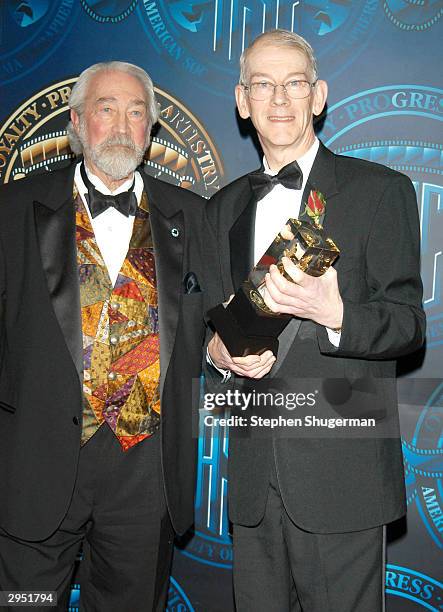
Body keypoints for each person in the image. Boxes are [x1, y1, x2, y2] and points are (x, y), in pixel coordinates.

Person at [206, 30, 425, 611]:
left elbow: (408, 324)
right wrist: (218, 355)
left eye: (294, 83)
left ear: (319, 95)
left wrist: (336, 315)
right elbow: (207, 327)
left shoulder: (381, 191)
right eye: (263, 84)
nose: (279, 99)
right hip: (253, 482)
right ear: (241, 100)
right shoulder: (221, 208)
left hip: (344, 475)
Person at [0, 61, 210, 611]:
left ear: (151, 130)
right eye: (106, 109)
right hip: (35, 466)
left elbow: (217, 329)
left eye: (136, 111)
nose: (122, 124)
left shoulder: (194, 217)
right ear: (76, 120)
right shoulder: (12, 209)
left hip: (145, 477)